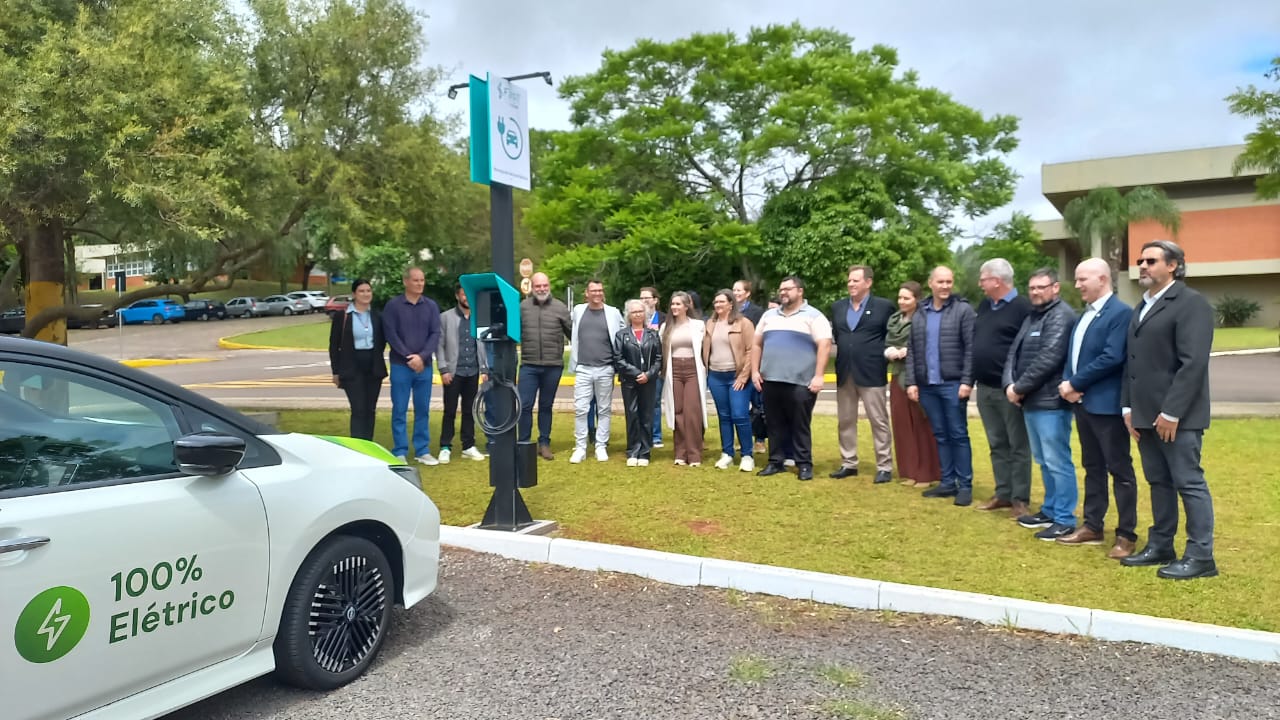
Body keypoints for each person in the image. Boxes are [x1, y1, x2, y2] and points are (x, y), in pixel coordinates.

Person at [1120, 240, 1218, 580]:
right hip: (1145, 415)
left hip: (1178, 418)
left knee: (1188, 482)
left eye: (1151, 260)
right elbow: (1131, 363)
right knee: (1158, 482)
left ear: (1173, 265)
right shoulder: (1141, 306)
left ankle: (1201, 556)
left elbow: (1192, 364)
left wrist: (1172, 412)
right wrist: (1128, 407)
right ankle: (1161, 545)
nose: (1142, 266)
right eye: (1140, 260)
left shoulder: (1191, 304)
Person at [1056, 258, 1138, 558]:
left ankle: (1126, 535)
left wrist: (1075, 382)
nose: (1077, 285)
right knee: (1092, 467)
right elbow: (1073, 354)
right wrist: (1068, 382)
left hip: (1106, 406)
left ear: (1102, 279)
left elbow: (1112, 357)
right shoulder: (1084, 315)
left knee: (1120, 469)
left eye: (1082, 279)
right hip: (1083, 403)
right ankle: (1092, 525)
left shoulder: (1120, 313)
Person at [1003, 268, 1078, 541]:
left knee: (1057, 461)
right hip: (1030, 401)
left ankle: (1065, 518)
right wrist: (1009, 385)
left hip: (1051, 402)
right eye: (1032, 287)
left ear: (1055, 288)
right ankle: (1049, 510)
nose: (1035, 292)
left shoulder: (1061, 315)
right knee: (1043, 461)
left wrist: (1019, 388)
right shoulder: (1033, 316)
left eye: (1041, 287)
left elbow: (1049, 358)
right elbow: (1014, 352)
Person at [903, 266, 976, 505]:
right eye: (941, 282)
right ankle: (947, 482)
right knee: (941, 435)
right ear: (931, 283)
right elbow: (912, 350)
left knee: (958, 434)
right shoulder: (920, 312)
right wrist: (912, 382)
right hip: (927, 386)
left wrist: (967, 381)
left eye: (949, 282)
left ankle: (964, 485)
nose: (945, 286)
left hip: (953, 384)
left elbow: (971, 349)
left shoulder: (963, 310)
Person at [752, 276, 832, 481]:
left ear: (800, 291)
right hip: (771, 379)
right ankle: (775, 462)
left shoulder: (814, 316)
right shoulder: (769, 316)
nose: (783, 293)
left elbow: (824, 345)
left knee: (800, 424)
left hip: (801, 381)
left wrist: (819, 376)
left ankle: (804, 464)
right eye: (781, 289)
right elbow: (757, 344)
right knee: (774, 423)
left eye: (787, 289)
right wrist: (755, 371)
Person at [972, 258, 1034, 517]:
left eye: (983, 279)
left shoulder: (1023, 308)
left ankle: (1020, 499)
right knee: (997, 443)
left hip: (1009, 389)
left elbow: (1027, 349)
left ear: (996, 281)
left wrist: (1018, 384)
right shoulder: (986, 305)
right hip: (985, 387)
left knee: (1017, 444)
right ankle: (1003, 493)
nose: (980, 284)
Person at [829, 265, 895, 483]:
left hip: (871, 372)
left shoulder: (884, 307)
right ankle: (849, 463)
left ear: (868, 282)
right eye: (849, 280)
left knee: (878, 420)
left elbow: (891, 336)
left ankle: (884, 466)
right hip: (845, 371)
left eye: (855, 280)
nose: (851, 284)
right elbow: (839, 336)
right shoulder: (838, 307)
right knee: (846, 420)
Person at [884, 281, 941, 488]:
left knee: (921, 424)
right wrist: (890, 351)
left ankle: (927, 473)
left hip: (917, 375)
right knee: (902, 424)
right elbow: (888, 341)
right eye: (900, 297)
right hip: (897, 375)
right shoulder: (894, 320)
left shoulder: (924, 319)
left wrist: (908, 351)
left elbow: (929, 344)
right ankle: (909, 471)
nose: (901, 301)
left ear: (917, 299)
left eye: (906, 298)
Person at [383, 267, 442, 465]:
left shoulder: (431, 306)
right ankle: (400, 450)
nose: (420, 284)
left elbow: (435, 333)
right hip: (401, 366)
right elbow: (391, 334)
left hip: (424, 367)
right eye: (416, 280)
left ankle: (422, 449)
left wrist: (422, 357)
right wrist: (410, 357)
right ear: (406, 281)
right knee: (399, 408)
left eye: (422, 280)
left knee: (423, 409)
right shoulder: (393, 306)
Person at [518, 272, 572, 460]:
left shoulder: (560, 307)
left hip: (553, 365)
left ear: (549, 286)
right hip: (528, 365)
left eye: (544, 286)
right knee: (524, 406)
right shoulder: (522, 307)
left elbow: (572, 333)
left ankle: (544, 443)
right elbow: (513, 333)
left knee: (546, 406)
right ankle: (524, 443)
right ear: (532, 287)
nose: (541, 289)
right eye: (538, 286)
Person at [569, 279, 624, 463]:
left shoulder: (613, 313)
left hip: (606, 368)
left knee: (604, 409)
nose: (597, 294)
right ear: (587, 293)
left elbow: (623, 335)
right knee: (581, 409)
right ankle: (581, 447)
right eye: (593, 290)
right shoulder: (578, 310)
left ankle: (601, 446)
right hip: (583, 368)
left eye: (600, 290)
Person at [703, 289, 756, 472]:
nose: (718, 305)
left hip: (737, 377)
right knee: (724, 416)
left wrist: (743, 376)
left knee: (740, 415)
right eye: (715, 302)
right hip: (716, 376)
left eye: (721, 302)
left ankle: (747, 455)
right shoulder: (710, 323)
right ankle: (727, 454)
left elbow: (751, 350)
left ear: (731, 304)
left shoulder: (743, 323)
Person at [328, 279, 386, 441]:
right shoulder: (343, 316)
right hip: (352, 367)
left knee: (370, 409)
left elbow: (381, 341)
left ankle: (369, 444)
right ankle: (358, 445)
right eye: (361, 291)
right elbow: (334, 345)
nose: (366, 294)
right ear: (354, 294)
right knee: (359, 408)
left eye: (368, 291)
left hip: (373, 365)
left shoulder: (376, 316)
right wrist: (336, 371)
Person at [437, 282, 488, 464]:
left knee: (469, 410)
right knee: (449, 410)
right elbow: (440, 345)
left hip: (472, 371)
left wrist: (484, 369)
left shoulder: (479, 318)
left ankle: (468, 445)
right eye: (463, 294)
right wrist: (443, 369)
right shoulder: (446, 318)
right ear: (457, 296)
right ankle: (445, 446)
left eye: (469, 294)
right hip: (453, 372)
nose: (466, 297)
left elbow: (483, 345)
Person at [661, 291, 708, 466]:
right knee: (677, 411)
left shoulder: (698, 325)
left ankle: (694, 454)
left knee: (692, 411)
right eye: (672, 304)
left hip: (692, 370)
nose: (674, 307)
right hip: (674, 371)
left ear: (687, 306)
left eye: (678, 304)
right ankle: (680, 453)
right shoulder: (666, 328)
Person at [613, 299, 662, 467]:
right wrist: (636, 373)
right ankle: (633, 450)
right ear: (628, 315)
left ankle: (645, 452)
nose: (637, 314)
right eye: (634, 312)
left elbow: (658, 359)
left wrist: (648, 374)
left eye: (640, 311)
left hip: (648, 382)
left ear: (645, 314)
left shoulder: (653, 334)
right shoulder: (622, 335)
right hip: (629, 381)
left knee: (647, 415)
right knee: (632, 414)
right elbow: (618, 359)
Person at [640, 287, 666, 448]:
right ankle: (641, 433)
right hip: (639, 367)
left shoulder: (665, 319)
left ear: (655, 300)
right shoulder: (636, 318)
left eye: (647, 298)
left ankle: (655, 436)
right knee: (640, 402)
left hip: (657, 367)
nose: (644, 301)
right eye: (641, 298)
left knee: (655, 401)